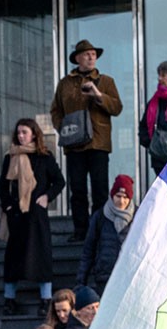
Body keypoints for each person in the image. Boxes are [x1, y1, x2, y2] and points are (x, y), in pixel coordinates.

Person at [52, 39, 125, 241]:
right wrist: (63, 128)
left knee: (100, 188)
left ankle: (99, 230)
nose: (91, 57)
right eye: (87, 54)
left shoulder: (106, 81)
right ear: (77, 58)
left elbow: (117, 108)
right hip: (74, 144)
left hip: (98, 143)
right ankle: (80, 231)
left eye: (94, 54)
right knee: (78, 190)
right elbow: (55, 110)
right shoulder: (65, 83)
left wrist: (98, 95)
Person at [0, 118, 66, 314]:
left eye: (24, 132)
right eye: (18, 132)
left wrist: (47, 197)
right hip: (16, 216)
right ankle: (9, 300)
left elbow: (59, 182)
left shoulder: (44, 157)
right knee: (13, 258)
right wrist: (8, 206)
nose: (20, 136)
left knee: (41, 256)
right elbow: (2, 185)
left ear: (34, 134)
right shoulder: (10, 157)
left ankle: (46, 300)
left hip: (36, 216)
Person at [79, 175, 136, 294]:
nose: (121, 201)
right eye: (118, 196)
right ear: (112, 195)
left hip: (130, 277)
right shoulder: (100, 216)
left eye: (125, 197)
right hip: (105, 277)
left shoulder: (138, 216)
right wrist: (80, 282)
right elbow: (88, 250)